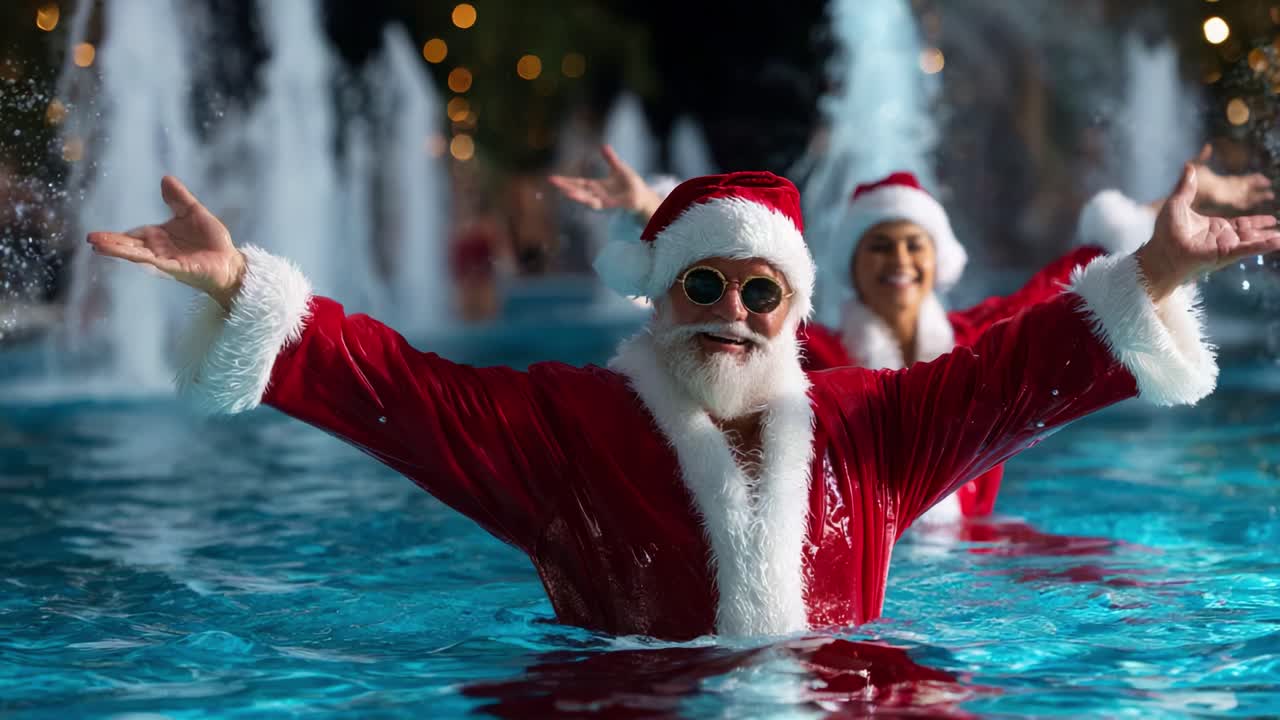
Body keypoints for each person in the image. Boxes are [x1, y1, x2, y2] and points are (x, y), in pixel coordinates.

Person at [87, 167, 1275, 640]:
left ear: (789, 307)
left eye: (761, 290)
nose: (732, 311)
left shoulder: (870, 425)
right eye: (701, 283)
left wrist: (1157, 272)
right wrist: (244, 283)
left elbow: (1014, 373)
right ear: (660, 298)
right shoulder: (566, 429)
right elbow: (402, 389)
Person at [550, 147, 1274, 524]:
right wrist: (657, 215)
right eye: (880, 246)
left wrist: (1172, 220)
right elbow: (718, 319)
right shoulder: (814, 359)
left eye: (912, 245)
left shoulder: (977, 337)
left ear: (937, 261)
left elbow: (1079, 276)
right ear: (850, 268)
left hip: (973, 558)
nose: (899, 260)